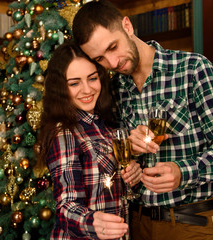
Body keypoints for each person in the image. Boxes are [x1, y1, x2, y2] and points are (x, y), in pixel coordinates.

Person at [72, 1, 213, 240]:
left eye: (113, 47)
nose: (113, 63)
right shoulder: (113, 89)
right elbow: (115, 159)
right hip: (135, 223)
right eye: (100, 58)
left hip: (189, 224)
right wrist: (131, 159)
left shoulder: (194, 69)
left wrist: (182, 172)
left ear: (127, 25)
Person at [38, 41, 142, 239]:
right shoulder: (65, 131)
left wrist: (132, 177)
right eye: (74, 83)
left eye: (92, 78)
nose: (87, 90)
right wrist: (92, 222)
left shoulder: (107, 127)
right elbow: (66, 206)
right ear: (61, 89)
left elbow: (109, 185)